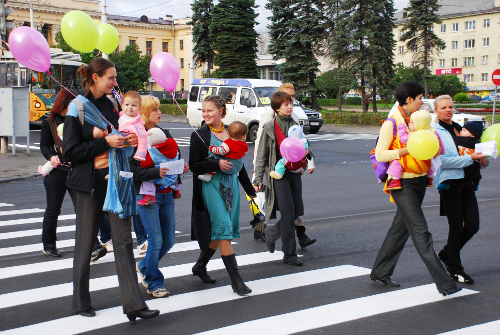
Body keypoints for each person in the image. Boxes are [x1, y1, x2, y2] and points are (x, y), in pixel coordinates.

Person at [63, 58, 159, 322]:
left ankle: (134, 305)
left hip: (115, 182)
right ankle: (81, 301)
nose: (115, 82)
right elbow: (70, 152)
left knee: (124, 243)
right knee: (85, 244)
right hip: (88, 185)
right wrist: (105, 141)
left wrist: (125, 141)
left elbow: (117, 139)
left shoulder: (113, 104)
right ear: (95, 78)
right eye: (111, 78)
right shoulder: (77, 108)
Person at [370, 82, 461, 296]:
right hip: (401, 183)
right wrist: (406, 150)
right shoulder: (391, 124)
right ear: (409, 99)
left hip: (420, 181)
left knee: (400, 229)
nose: (423, 102)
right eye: (421, 98)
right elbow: (380, 154)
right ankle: (445, 284)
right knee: (421, 232)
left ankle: (380, 272)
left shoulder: (422, 123)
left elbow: (432, 147)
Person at [189, 95, 256, 295]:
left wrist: (249, 190)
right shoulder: (200, 135)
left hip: (231, 186)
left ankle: (200, 265)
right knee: (224, 229)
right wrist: (216, 164)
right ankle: (236, 281)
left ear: (221, 111)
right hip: (211, 186)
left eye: (209, 110)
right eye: (203, 110)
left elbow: (239, 164)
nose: (205, 114)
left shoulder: (232, 131)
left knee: (221, 231)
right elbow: (194, 166)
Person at [130, 95, 189, 298]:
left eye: (158, 108)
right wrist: (157, 173)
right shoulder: (136, 136)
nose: (159, 112)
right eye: (155, 109)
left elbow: (174, 157)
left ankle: (145, 266)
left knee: (169, 240)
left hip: (166, 194)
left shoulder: (164, 133)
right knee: (155, 240)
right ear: (144, 113)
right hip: (147, 195)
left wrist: (181, 167)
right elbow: (132, 171)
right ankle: (154, 281)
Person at [252, 83, 317, 248]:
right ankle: (290, 251)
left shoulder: (294, 119)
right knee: (288, 210)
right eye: (288, 101)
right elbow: (261, 148)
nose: (291, 103)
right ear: (278, 103)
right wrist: (259, 175)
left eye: (292, 100)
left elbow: (303, 143)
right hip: (276, 171)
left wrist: (309, 160)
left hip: (294, 169)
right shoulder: (269, 120)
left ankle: (271, 234)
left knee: (294, 210)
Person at [433, 95, 488, 285]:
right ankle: (455, 269)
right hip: (450, 183)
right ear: (436, 111)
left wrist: (481, 160)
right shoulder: (436, 132)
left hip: (467, 182)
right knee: (456, 227)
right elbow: (443, 161)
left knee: (473, 225)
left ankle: (447, 253)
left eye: (450, 106)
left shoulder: (459, 128)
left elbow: (473, 156)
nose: (448, 110)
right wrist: (470, 158)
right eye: (443, 108)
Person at [39, 89, 78, 257]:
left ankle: (93, 245)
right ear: (64, 103)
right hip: (58, 171)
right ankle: (49, 244)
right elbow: (44, 145)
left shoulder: (76, 120)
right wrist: (51, 156)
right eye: (72, 103)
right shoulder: (49, 122)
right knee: (53, 209)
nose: (75, 107)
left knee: (83, 209)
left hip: (75, 170)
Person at [385, 110, 445, 190]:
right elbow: (440, 144)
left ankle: (395, 181)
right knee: (430, 164)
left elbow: (403, 139)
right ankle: (429, 178)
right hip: (426, 162)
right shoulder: (433, 131)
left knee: (396, 162)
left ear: (419, 124)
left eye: (412, 123)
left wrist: (402, 127)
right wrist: (440, 151)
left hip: (414, 163)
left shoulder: (416, 134)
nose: (409, 124)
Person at [437, 121, 485, 192]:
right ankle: (446, 182)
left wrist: (484, 161)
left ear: (473, 134)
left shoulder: (459, 140)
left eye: (464, 130)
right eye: (462, 129)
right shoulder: (476, 143)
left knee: (476, 173)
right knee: (475, 173)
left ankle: (475, 183)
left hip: (469, 165)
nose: (461, 131)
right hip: (465, 165)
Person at [118, 91, 148, 162]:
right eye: (127, 104)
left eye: (133, 105)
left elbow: (143, 137)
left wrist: (140, 154)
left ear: (139, 108)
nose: (130, 107)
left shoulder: (137, 125)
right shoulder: (121, 115)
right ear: (122, 106)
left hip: (128, 147)